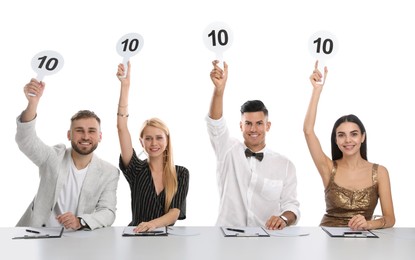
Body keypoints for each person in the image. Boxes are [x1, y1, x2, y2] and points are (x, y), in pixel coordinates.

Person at [206, 60, 300, 230]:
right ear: (241, 126)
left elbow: (291, 206)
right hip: (227, 238)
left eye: (259, 123)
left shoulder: (285, 165)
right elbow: (215, 123)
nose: (253, 129)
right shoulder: (228, 150)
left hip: (267, 239)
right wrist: (219, 90)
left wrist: (283, 219)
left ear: (268, 126)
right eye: (248, 123)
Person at [16, 79, 120, 231]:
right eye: (79, 130)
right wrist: (33, 103)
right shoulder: (53, 157)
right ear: (69, 135)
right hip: (38, 235)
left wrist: (80, 221)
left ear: (100, 136)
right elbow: (26, 141)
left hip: (79, 239)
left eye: (91, 131)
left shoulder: (109, 172)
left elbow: (108, 212)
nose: (85, 136)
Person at [303, 60, 395, 230]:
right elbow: (308, 131)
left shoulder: (380, 172)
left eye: (353, 134)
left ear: (363, 137)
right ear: (336, 140)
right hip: (327, 238)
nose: (348, 140)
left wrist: (369, 224)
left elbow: (390, 218)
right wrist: (317, 91)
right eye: (341, 135)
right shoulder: (328, 167)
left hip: (364, 240)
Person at [116, 62, 189, 232]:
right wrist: (125, 87)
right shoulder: (135, 169)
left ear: (167, 140)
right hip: (136, 238)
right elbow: (121, 128)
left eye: (158, 138)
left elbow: (174, 213)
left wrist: (152, 224)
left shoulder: (181, 173)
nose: (154, 143)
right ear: (141, 142)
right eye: (148, 138)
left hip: (166, 242)